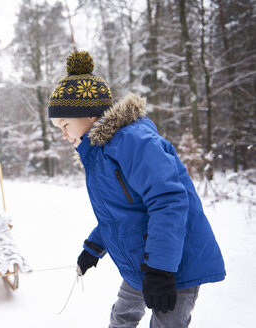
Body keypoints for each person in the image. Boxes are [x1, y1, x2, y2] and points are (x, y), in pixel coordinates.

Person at [47, 51, 225, 327]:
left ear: (89, 115)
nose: (63, 134)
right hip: (143, 261)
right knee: (122, 315)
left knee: (167, 321)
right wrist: (93, 248)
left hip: (174, 264)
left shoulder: (134, 142)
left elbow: (168, 201)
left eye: (65, 124)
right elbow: (120, 213)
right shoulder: (99, 155)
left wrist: (161, 269)